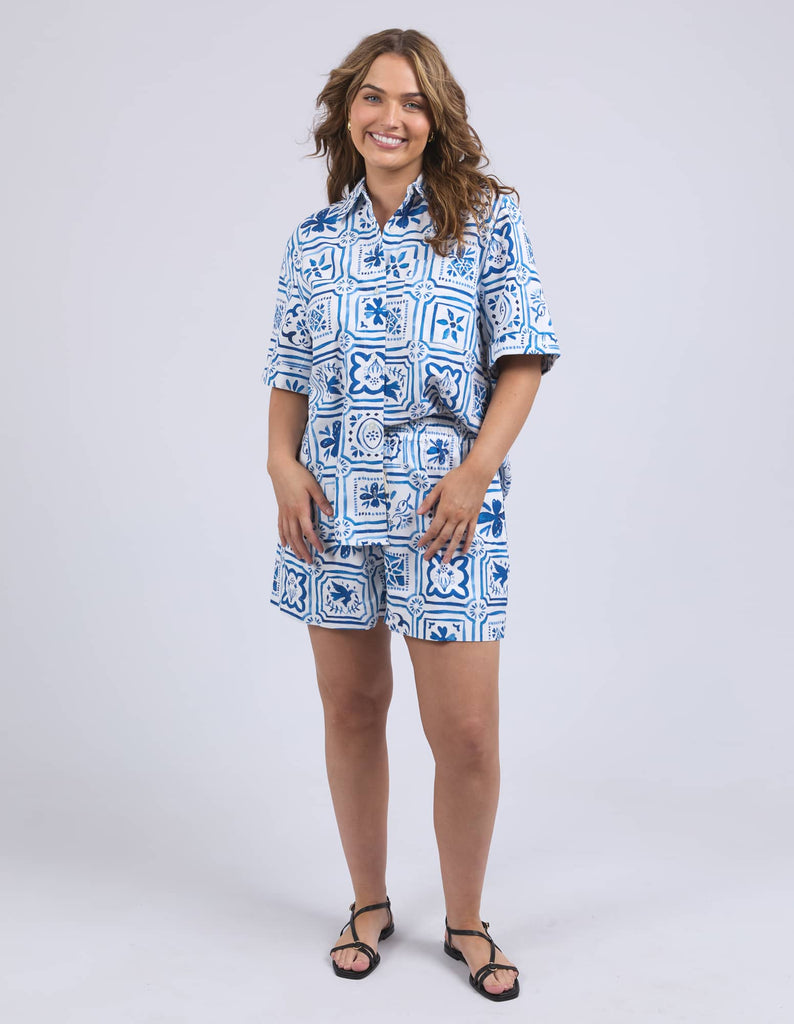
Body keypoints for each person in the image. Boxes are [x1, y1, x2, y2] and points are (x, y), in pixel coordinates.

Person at [262, 28, 561, 1002]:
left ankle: (466, 919)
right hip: (332, 512)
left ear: (437, 118)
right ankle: (367, 900)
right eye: (374, 99)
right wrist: (280, 466)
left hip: (446, 512)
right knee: (351, 709)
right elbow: (288, 375)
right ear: (347, 110)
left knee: (465, 732)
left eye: (413, 102)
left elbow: (521, 354)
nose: (392, 118)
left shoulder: (487, 219)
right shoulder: (313, 245)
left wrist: (477, 470)